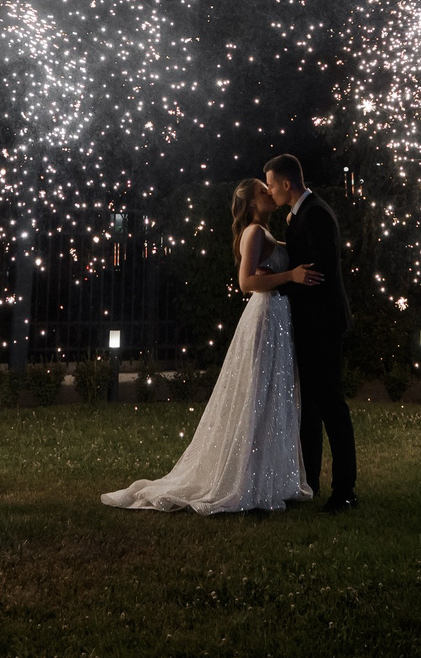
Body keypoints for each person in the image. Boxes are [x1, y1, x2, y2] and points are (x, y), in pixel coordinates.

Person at [101, 177, 313, 514]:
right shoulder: (255, 232)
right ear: (250, 202)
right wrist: (291, 276)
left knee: (271, 392)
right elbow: (246, 282)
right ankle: (247, 477)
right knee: (258, 391)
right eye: (263, 191)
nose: (269, 193)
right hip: (266, 312)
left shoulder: (265, 230)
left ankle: (268, 474)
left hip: (276, 315)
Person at [266, 154, 356, 511]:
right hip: (312, 324)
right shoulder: (303, 213)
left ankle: (345, 490)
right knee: (313, 407)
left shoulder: (315, 213)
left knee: (331, 404)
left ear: (287, 184)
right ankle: (311, 483)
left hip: (322, 324)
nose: (270, 190)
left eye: (272, 184)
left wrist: (279, 289)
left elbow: (313, 274)